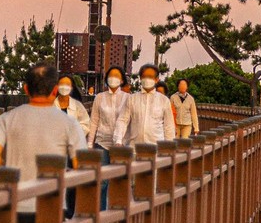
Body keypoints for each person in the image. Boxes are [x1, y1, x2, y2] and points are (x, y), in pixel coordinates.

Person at [0, 61, 87, 223]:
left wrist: (10, 169)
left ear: (26, 89)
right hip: (52, 203)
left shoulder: (8, 118)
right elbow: (80, 164)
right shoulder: (69, 123)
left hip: (17, 200)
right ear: (55, 90)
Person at [90, 66, 131, 209]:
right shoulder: (99, 98)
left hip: (122, 144)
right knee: (102, 181)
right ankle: (100, 213)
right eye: (110, 75)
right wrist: (90, 143)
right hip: (102, 142)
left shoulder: (128, 98)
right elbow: (94, 121)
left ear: (121, 80)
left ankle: (119, 213)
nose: (113, 78)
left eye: (116, 75)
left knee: (120, 180)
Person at [118, 64, 177, 146]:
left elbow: (169, 126)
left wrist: (169, 148)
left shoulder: (164, 100)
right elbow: (123, 121)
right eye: (144, 76)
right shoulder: (132, 99)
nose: (147, 79)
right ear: (140, 78)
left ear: (156, 79)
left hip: (156, 149)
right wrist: (118, 140)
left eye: (150, 77)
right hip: (134, 148)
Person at [56, 75, 92, 141]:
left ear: (72, 87)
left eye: (67, 85)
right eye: (61, 84)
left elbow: (86, 124)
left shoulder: (77, 105)